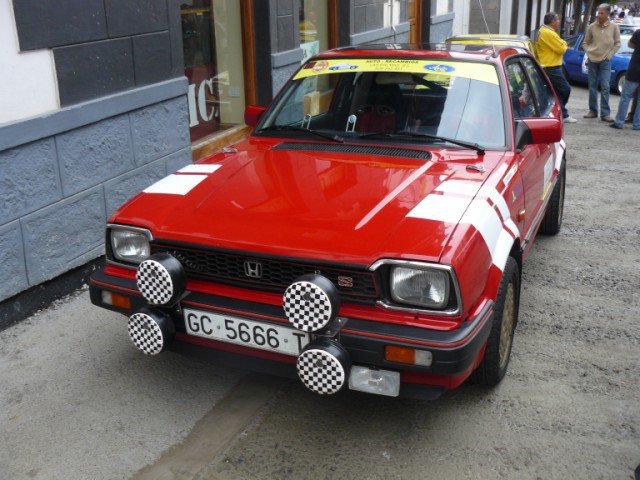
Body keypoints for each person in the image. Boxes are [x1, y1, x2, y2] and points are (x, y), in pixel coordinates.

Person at [582, 3, 621, 122]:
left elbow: (617, 44)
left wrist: (609, 56)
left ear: (607, 14)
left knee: (605, 87)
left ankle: (605, 113)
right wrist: (589, 53)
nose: (598, 15)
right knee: (592, 86)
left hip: (605, 61)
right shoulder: (592, 27)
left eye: (601, 13)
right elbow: (585, 43)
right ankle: (593, 111)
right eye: (598, 12)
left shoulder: (614, 27)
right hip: (592, 60)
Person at [536, 12, 577, 123]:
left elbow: (561, 43)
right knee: (565, 89)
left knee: (556, 91)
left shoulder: (545, 31)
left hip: (550, 65)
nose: (559, 22)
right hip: (551, 66)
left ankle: (562, 113)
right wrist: (564, 44)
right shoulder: (548, 33)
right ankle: (561, 112)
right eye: (557, 20)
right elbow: (562, 49)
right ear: (552, 21)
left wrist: (562, 43)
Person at [610, 28, 640, 129]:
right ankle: (637, 124)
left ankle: (619, 122)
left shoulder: (638, 32)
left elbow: (630, 44)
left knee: (625, 97)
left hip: (634, 70)